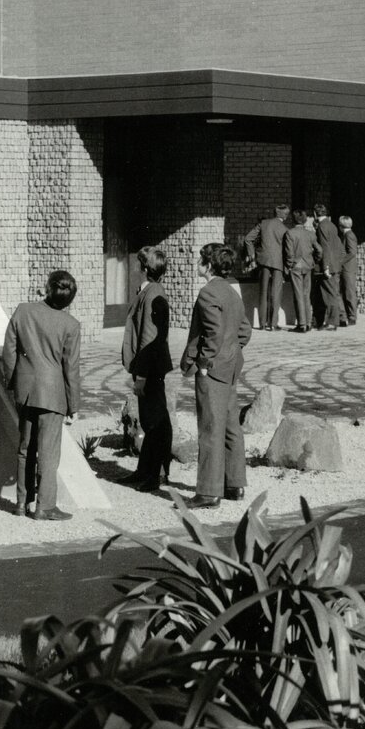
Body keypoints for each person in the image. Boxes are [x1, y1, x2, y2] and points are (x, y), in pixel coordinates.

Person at [3, 270, 81, 521]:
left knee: (26, 447)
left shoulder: (23, 310)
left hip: (25, 390)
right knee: (48, 452)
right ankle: (45, 506)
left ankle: (21, 502)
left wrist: (12, 382)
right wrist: (74, 404)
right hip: (53, 394)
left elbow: (9, 351)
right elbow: (71, 367)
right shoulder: (71, 325)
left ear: (47, 288)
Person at [179, 243, 252, 509]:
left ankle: (209, 492)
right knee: (231, 426)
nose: (197, 262)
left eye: (201, 259)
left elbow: (213, 333)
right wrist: (232, 352)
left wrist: (205, 363)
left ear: (209, 265)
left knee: (210, 427)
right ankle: (235, 485)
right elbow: (244, 330)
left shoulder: (208, 292)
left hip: (213, 369)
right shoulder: (232, 292)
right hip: (231, 367)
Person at [120, 245, 173, 493]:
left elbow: (149, 339)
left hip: (149, 368)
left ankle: (157, 474)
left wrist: (141, 376)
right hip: (147, 366)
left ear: (143, 268)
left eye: (137, 264)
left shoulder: (152, 294)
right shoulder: (149, 291)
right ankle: (145, 470)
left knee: (155, 422)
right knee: (150, 419)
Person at [243, 203, 291, 331]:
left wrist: (252, 256)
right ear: (285, 216)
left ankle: (262, 323)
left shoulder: (263, 224)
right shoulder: (285, 229)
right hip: (278, 263)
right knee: (276, 292)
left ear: (274, 213)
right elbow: (287, 250)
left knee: (263, 292)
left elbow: (248, 239)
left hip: (263, 261)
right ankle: (273, 324)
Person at [283, 209, 319, 333]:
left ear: (293, 220)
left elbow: (289, 253)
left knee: (298, 294)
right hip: (308, 265)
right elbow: (319, 250)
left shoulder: (290, 233)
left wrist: (288, 266)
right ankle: (308, 323)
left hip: (296, 266)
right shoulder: (311, 234)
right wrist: (314, 261)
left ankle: (302, 324)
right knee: (306, 295)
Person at [312, 204, 344, 330]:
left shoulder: (322, 227)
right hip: (335, 265)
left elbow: (325, 247)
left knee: (329, 295)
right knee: (332, 293)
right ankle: (331, 321)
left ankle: (332, 322)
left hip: (328, 266)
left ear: (315, 214)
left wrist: (325, 267)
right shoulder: (332, 225)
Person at [338, 215, 359, 325]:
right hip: (346, 268)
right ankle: (347, 315)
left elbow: (352, 252)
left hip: (348, 268)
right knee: (344, 291)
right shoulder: (346, 235)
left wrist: (340, 262)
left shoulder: (349, 235)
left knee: (349, 292)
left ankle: (352, 316)